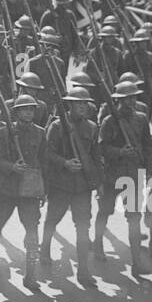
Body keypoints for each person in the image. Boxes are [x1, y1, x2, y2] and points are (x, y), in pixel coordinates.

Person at [40, 86, 100, 287]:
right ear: (70, 105)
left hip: (82, 186)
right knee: (52, 220)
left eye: (85, 103)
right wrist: (65, 163)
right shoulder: (57, 126)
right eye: (78, 103)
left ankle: (83, 271)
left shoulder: (91, 127)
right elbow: (47, 153)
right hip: (61, 184)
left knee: (83, 227)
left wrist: (97, 182)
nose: (82, 107)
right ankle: (45, 248)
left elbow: (95, 157)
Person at [0, 92, 45, 292]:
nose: (28, 113)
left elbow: (43, 161)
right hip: (9, 187)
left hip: (30, 190)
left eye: (31, 109)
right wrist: (12, 167)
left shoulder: (40, 132)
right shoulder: (6, 132)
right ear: (17, 112)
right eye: (24, 109)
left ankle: (30, 275)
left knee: (32, 231)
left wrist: (42, 189)